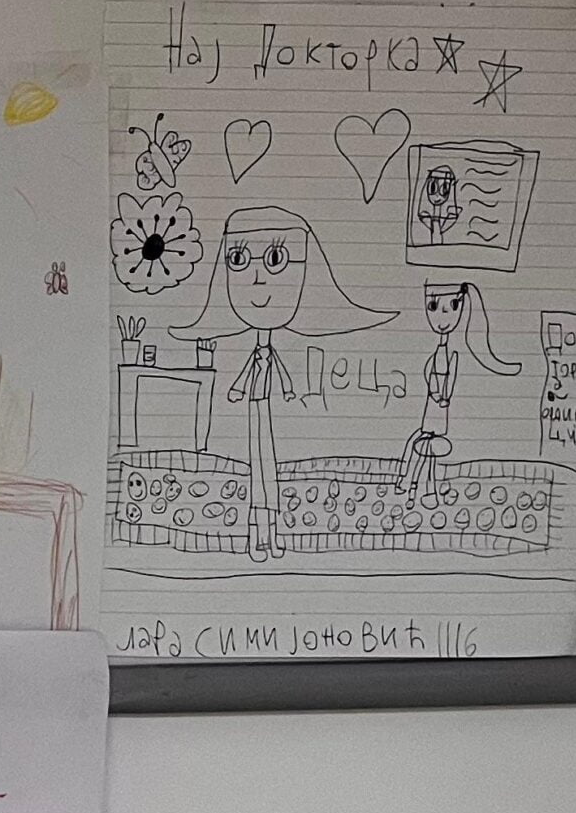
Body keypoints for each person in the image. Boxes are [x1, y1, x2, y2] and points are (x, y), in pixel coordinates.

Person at [172, 204, 394, 561]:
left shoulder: (269, 350)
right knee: (260, 471)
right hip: (254, 407)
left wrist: (286, 389)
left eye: (276, 259)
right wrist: (240, 389)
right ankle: (255, 538)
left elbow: (274, 367)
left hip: (262, 408)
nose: (258, 278)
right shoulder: (257, 350)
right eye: (239, 260)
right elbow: (253, 369)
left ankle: (270, 538)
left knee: (267, 474)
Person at [398, 280, 519, 504]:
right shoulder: (439, 352)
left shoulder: (452, 352)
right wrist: (437, 394)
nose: (442, 317)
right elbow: (430, 373)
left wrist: (444, 397)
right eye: (433, 307)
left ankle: (416, 488)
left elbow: (449, 378)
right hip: (434, 405)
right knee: (424, 445)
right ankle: (413, 486)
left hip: (440, 408)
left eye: (453, 306)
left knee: (428, 448)